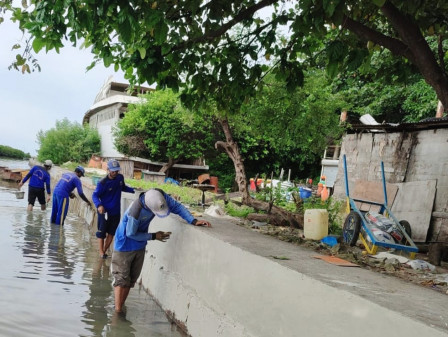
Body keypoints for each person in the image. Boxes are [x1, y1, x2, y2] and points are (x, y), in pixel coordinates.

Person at [112, 188, 211, 313]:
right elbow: (130, 233)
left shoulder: (160, 197)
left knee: (131, 280)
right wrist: (154, 236)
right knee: (121, 279)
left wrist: (193, 220)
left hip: (139, 245)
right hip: (124, 246)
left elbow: (177, 207)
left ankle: (120, 307)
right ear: (148, 207)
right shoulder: (136, 211)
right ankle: (118, 312)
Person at [92, 159, 135, 259]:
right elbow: (95, 195)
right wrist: (99, 205)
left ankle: (104, 251)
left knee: (111, 233)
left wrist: (133, 191)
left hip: (115, 211)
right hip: (104, 212)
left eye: (116, 171)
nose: (115, 173)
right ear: (108, 170)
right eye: (113, 171)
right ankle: (101, 252)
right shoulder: (102, 183)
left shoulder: (120, 178)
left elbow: (123, 187)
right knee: (101, 232)